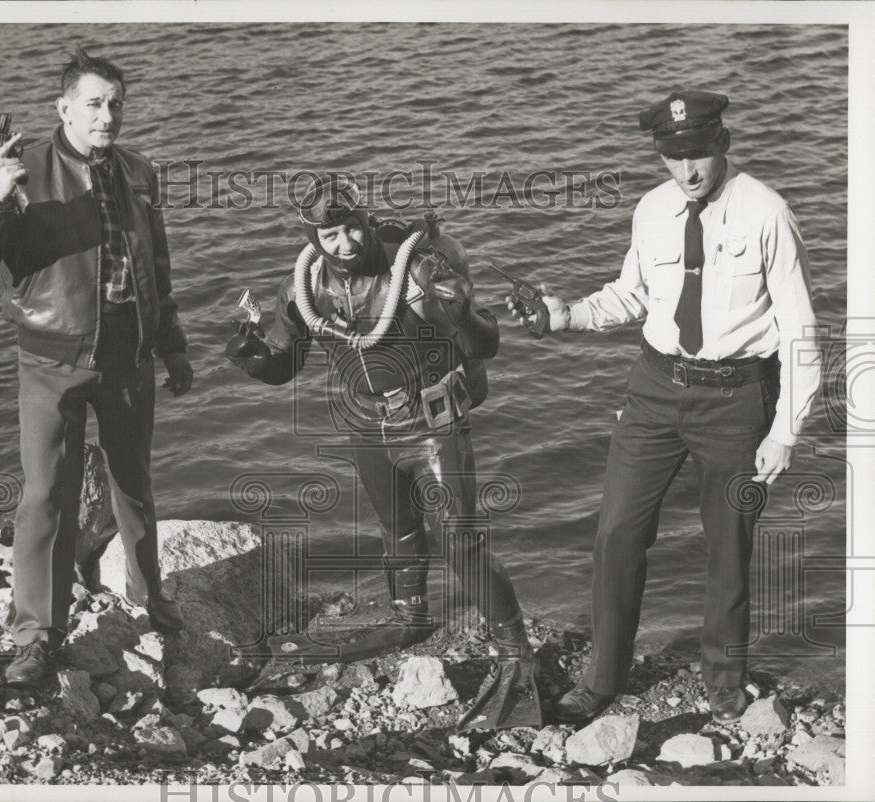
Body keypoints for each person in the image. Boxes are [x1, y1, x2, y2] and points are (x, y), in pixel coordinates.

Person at [510, 90, 820, 724]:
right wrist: (565, 316)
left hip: (738, 400)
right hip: (653, 391)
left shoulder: (768, 212)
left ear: (722, 144)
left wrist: (785, 430)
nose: (688, 171)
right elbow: (632, 296)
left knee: (728, 545)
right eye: (674, 157)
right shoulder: (651, 210)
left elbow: (801, 332)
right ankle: (603, 679)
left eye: (699, 154)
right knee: (617, 533)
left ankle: (725, 684)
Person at [226, 176, 542, 731]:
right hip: (368, 426)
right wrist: (250, 356)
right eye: (330, 233)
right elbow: (285, 364)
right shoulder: (301, 289)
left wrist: (463, 313)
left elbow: (486, 343)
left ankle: (517, 653)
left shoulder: (415, 272)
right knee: (396, 530)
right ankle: (410, 616)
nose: (345, 242)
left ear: (367, 222)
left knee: (459, 539)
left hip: (431, 423)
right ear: (313, 236)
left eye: (353, 227)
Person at [0, 47, 194, 687]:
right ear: (64, 109)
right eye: (94, 104)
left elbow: (158, 269)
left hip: (128, 356)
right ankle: (35, 636)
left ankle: (149, 595)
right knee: (46, 498)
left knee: (134, 485)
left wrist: (172, 345)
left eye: (115, 104)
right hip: (51, 360)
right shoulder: (24, 171)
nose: (107, 115)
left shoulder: (139, 171)